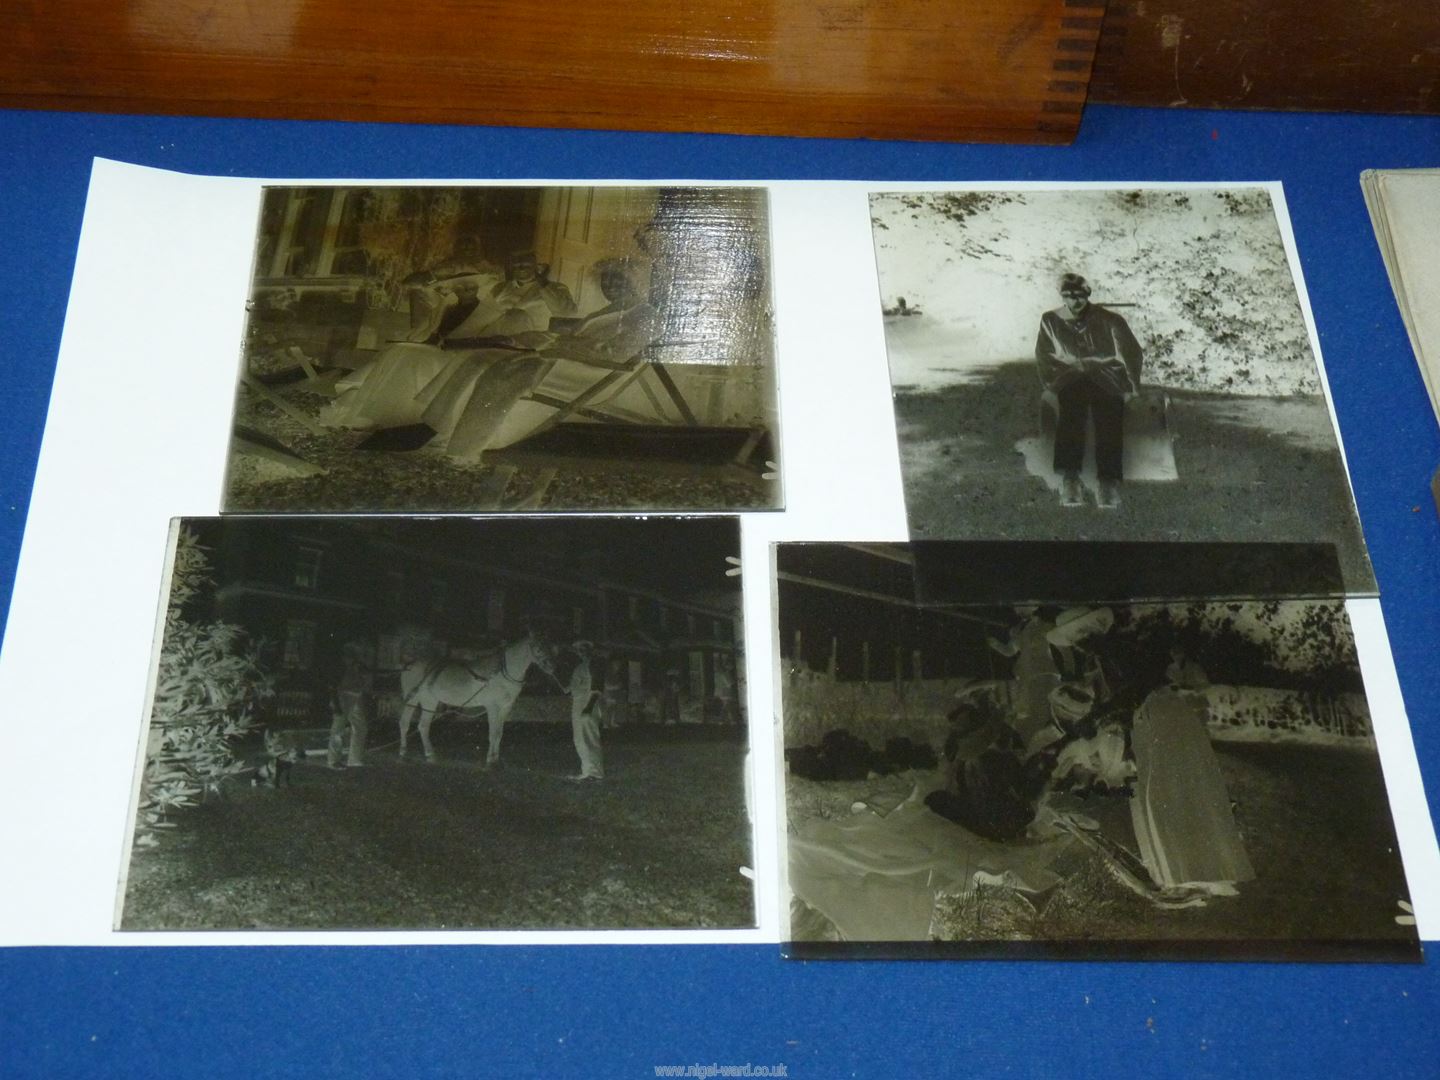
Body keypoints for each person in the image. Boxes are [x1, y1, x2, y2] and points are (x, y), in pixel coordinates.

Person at [1128, 653, 1255, 894]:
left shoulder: (1177, 702)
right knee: (1174, 810)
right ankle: (1181, 873)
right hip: (1167, 765)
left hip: (1184, 762)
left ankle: (1205, 872)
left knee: (1195, 807)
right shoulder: (1152, 705)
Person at [1035, 273, 1143, 510]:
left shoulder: (1110, 319)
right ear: (1062, 296)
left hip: (1107, 375)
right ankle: (1070, 479)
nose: (1074, 300)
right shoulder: (1051, 320)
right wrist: (1054, 383)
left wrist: (1133, 386)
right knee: (1071, 415)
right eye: (1068, 295)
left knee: (1109, 418)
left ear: (1088, 293)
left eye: (1079, 294)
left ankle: (1108, 482)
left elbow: (1131, 352)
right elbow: (1044, 355)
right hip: (1071, 376)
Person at [328, 643, 372, 768]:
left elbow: (367, 672)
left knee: (361, 728)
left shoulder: (357, 666)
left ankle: (355, 759)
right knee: (338, 729)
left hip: (356, 697)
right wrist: (336, 705)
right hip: (343, 697)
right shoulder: (340, 667)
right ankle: (333, 760)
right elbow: (332, 686)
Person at [567, 641, 604, 782]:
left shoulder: (596, 663)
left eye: (584, 648)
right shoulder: (578, 667)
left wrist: (589, 707)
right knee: (579, 738)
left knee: (589, 737)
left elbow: (597, 687)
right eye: (578, 650)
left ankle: (596, 774)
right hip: (577, 703)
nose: (581, 652)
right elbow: (568, 688)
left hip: (589, 702)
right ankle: (586, 772)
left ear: (590, 649)